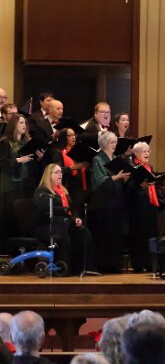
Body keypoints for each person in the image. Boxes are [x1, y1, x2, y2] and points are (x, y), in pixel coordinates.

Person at [33, 163, 94, 275]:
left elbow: (71, 209)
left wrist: (76, 218)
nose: (60, 174)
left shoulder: (63, 191)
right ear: (49, 175)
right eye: (57, 172)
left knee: (84, 233)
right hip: (46, 225)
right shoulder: (42, 191)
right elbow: (45, 209)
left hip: (64, 223)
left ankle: (81, 268)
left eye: (61, 172)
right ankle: (63, 269)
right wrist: (65, 211)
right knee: (64, 233)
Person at [88, 131, 130, 273]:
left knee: (116, 234)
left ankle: (115, 264)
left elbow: (120, 178)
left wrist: (124, 178)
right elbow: (98, 180)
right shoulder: (98, 159)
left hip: (116, 202)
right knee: (105, 234)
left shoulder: (116, 159)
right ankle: (104, 265)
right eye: (112, 142)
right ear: (105, 143)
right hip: (103, 204)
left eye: (115, 142)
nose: (114, 145)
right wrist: (116, 177)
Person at [127, 141, 165, 273]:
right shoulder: (132, 168)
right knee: (139, 237)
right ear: (136, 154)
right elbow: (129, 189)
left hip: (150, 208)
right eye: (144, 151)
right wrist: (140, 186)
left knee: (152, 236)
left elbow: (156, 188)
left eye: (148, 151)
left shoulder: (149, 167)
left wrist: (164, 203)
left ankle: (151, 264)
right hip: (138, 208)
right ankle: (139, 264)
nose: (147, 153)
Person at [0, 114, 42, 250]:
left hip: (27, 185)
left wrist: (39, 158)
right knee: (11, 218)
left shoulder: (27, 142)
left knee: (25, 218)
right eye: (21, 123)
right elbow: (2, 163)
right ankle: (10, 250)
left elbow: (33, 166)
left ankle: (26, 249)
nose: (24, 125)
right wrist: (18, 160)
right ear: (14, 125)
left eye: (25, 123)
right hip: (11, 187)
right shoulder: (5, 142)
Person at [41, 128, 89, 214]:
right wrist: (73, 167)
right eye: (70, 135)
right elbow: (57, 170)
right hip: (68, 187)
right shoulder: (57, 153)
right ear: (63, 137)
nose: (73, 137)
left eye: (74, 135)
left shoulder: (78, 150)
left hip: (80, 186)